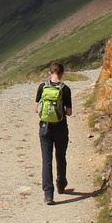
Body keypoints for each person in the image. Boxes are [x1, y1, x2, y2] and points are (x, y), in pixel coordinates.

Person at [35, 60, 72, 204]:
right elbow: (69, 112)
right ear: (62, 74)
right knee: (61, 156)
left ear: (50, 73)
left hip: (45, 128)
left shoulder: (42, 87)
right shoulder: (65, 89)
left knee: (47, 159)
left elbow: (36, 109)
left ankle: (48, 194)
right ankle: (61, 184)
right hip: (60, 127)